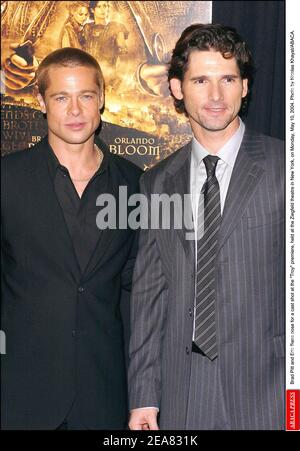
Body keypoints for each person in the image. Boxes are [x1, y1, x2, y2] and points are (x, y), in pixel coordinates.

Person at [128, 23, 284, 430]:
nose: (216, 96)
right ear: (177, 88)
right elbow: (150, 295)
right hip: (185, 391)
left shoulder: (287, 168)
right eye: (200, 80)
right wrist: (144, 397)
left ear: (245, 87)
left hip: (270, 391)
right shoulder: (157, 181)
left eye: (228, 79)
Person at [1, 47, 142, 430]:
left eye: (86, 96)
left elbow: (139, 292)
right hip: (21, 394)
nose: (75, 110)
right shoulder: (7, 179)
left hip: (105, 393)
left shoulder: (137, 183)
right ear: (41, 102)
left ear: (102, 100)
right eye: (61, 97)